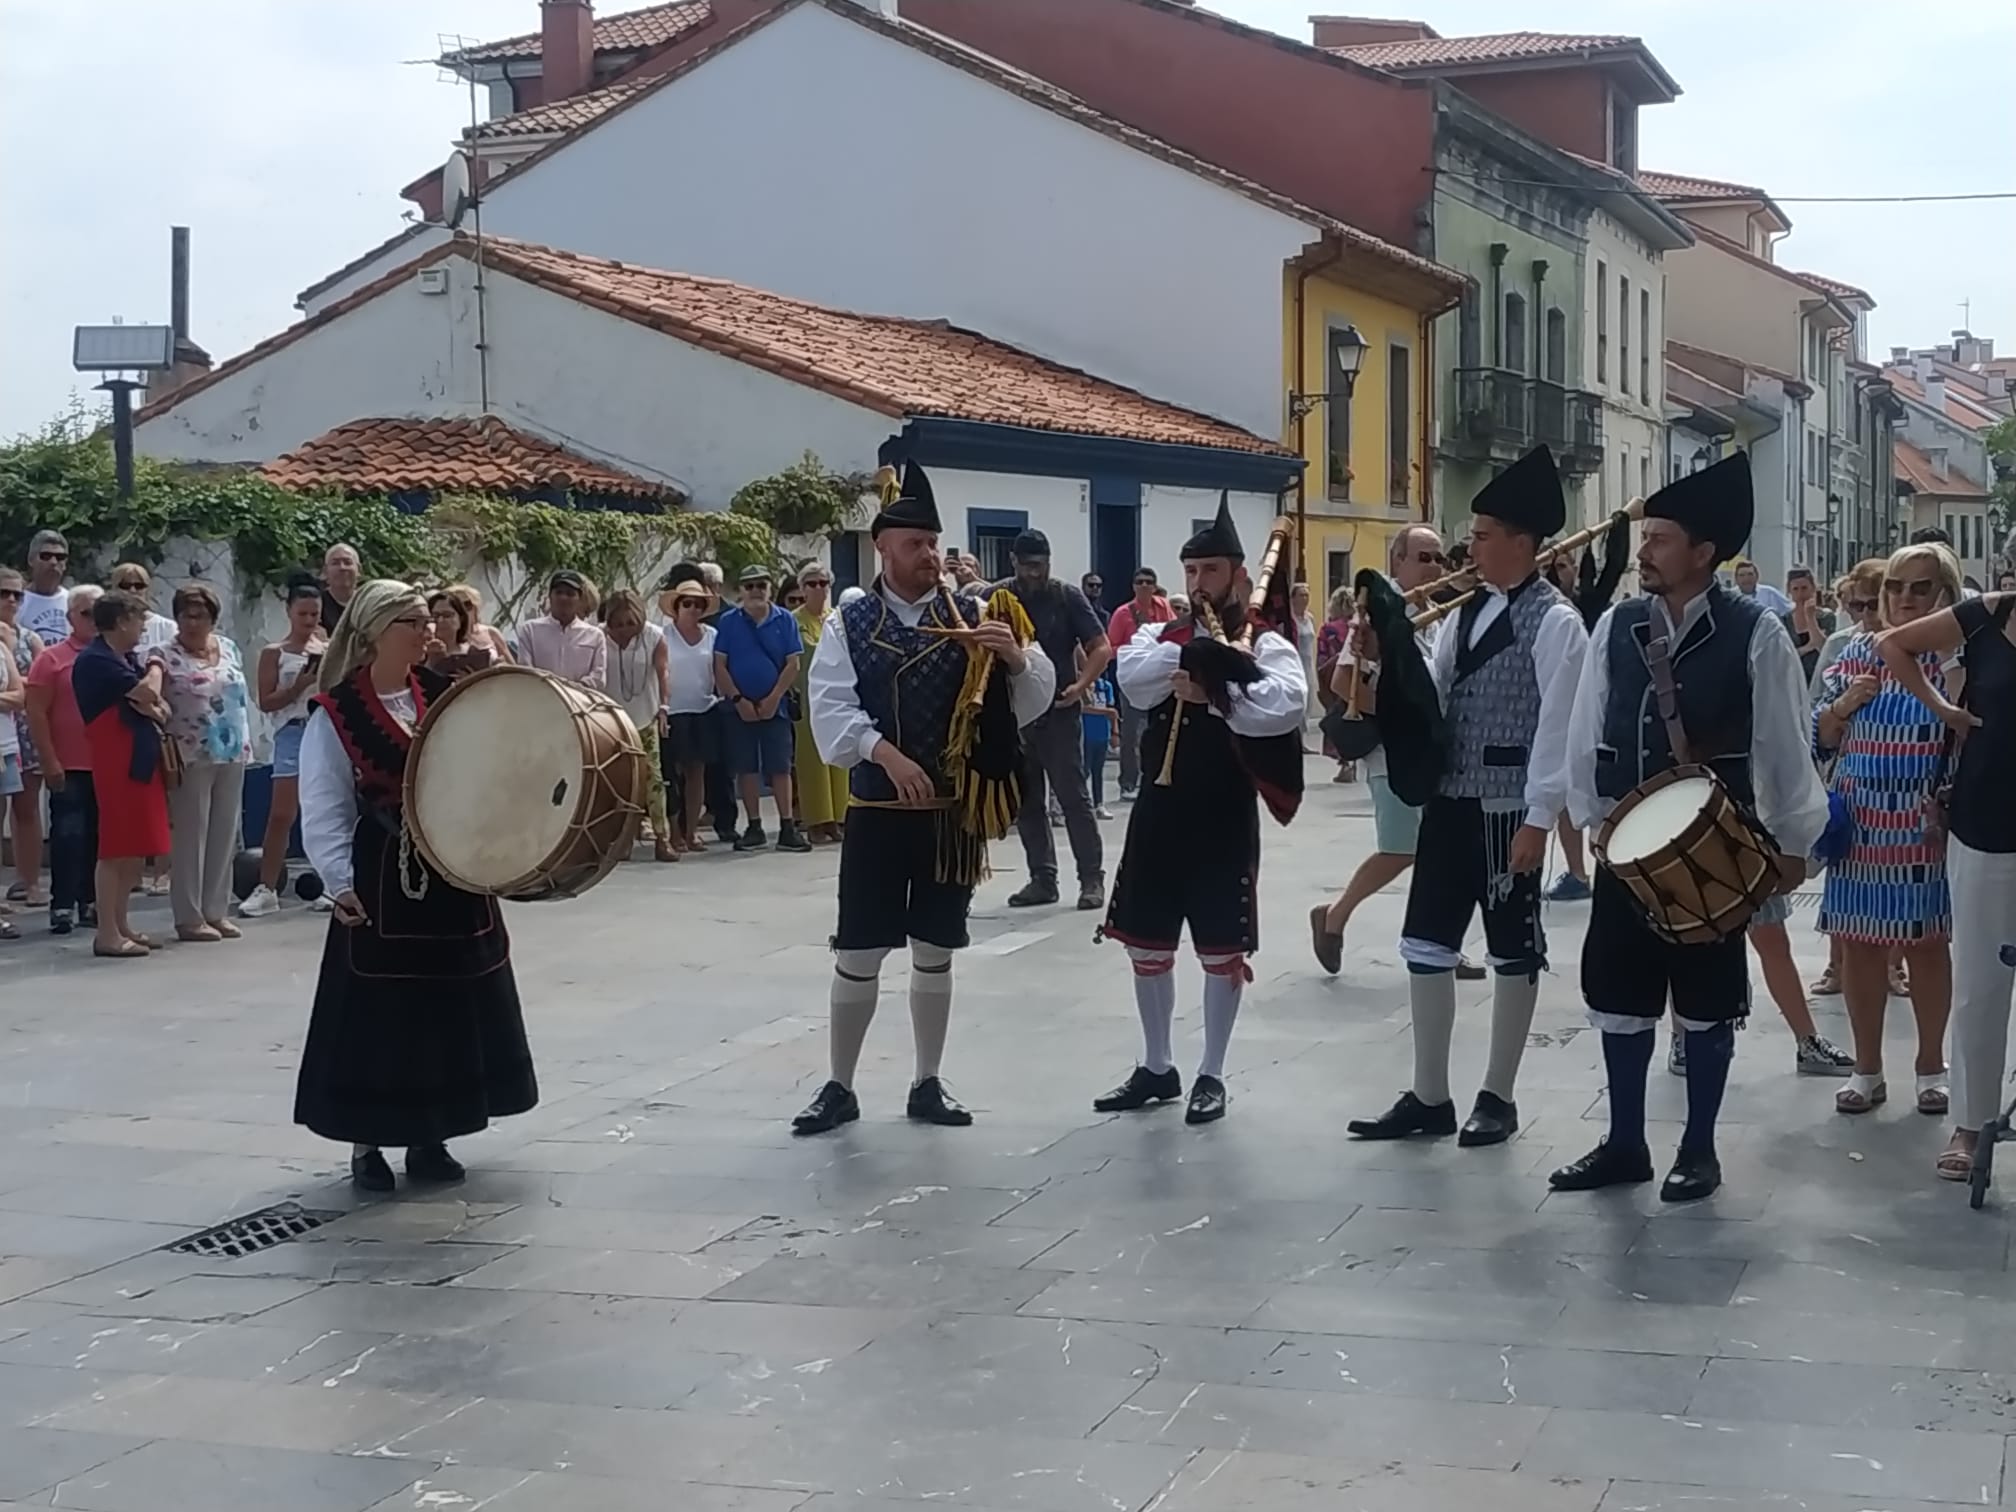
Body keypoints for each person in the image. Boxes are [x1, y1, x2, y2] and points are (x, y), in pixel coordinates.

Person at [1548, 454, 1827, 1201]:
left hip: (1714, 847)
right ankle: (1625, 1143)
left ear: (1703, 553)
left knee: (1705, 1003)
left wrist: (1794, 842)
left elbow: (1782, 742)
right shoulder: (1618, 624)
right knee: (1619, 993)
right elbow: (1587, 728)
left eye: (1661, 539)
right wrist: (1592, 819)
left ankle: (1699, 1148)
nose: (1644, 552)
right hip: (1627, 848)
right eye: (1648, 540)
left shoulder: (1755, 633)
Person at [794, 461, 1055, 1135]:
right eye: (915, 544)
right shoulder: (850, 623)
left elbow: (1029, 703)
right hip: (879, 809)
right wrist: (884, 753)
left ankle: (927, 1081)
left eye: (934, 543)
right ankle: (840, 1085)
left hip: (950, 814)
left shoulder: (975, 614)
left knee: (936, 948)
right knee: (858, 950)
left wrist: (1018, 659)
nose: (930, 555)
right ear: (883, 547)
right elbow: (830, 711)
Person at [1349, 446, 1587, 1149]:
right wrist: (1389, 643)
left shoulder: (1557, 621)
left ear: (1521, 541)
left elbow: (1558, 725)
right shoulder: (1464, 612)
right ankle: (1429, 1095)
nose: (1469, 547)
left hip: (1510, 806)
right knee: (1425, 941)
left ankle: (1499, 1096)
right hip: (1452, 800)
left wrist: (1541, 818)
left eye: (1482, 535)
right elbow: (1438, 689)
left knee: (1514, 948)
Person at [296, 580, 538, 1191]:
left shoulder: (444, 696)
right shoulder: (338, 710)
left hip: (453, 872)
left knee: (447, 1003)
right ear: (376, 630)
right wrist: (338, 881)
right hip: (384, 874)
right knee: (381, 1010)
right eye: (411, 621)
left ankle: (434, 1134)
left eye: (428, 619)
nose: (427, 630)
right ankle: (367, 1142)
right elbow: (324, 802)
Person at [1094, 497, 1304, 1124]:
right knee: (1146, 945)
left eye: (1210, 571)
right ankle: (1158, 1066)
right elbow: (1132, 675)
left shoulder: (1266, 641)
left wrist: (1217, 692)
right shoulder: (1167, 633)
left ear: (1239, 575)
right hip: (1159, 810)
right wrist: (1201, 657)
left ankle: (1211, 1072)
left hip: (1221, 811)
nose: (1198, 583)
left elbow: (1286, 705)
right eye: (1190, 571)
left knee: (1220, 949)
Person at [1813, 541, 1962, 1118]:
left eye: (1920, 588)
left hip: (1928, 824)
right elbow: (1820, 735)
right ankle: (1866, 1068)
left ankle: (1931, 1066)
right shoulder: (1854, 652)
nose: (1903, 598)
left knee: (1928, 945)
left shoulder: (1956, 655)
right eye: (1894, 587)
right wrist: (1844, 705)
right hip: (1861, 820)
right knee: (1859, 945)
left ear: (1946, 594)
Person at [1877, 581, 2016, 1181]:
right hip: (1987, 818)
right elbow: (1892, 645)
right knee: (1982, 981)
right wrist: (1945, 711)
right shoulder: (1987, 615)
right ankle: (1971, 1120)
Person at [1310, 526, 1484, 982]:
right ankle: (1334, 915)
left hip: (1433, 752)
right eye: (1423, 558)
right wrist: (1395, 708)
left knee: (1436, 851)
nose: (1434, 567)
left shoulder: (1439, 615)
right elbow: (1342, 684)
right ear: (1398, 563)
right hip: (1394, 756)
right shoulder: (1374, 620)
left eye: (1439, 558)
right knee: (1401, 849)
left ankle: (1441, 942)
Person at [1003, 530, 1110, 910]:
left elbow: (1101, 647)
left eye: (1042, 565)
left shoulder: (1067, 596)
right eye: (1028, 565)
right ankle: (1042, 877)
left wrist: (1081, 685)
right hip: (1016, 716)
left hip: (1060, 712)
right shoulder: (998, 598)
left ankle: (1091, 879)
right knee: (1028, 799)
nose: (1036, 573)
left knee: (1073, 797)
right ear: (1013, 562)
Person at [72, 590, 172, 959]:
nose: (143, 627)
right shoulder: (96, 660)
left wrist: (152, 700)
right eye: (139, 619)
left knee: (132, 847)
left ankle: (122, 923)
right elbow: (148, 694)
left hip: (136, 755)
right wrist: (157, 668)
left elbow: (157, 706)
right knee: (115, 847)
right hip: (116, 759)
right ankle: (107, 932)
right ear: (120, 621)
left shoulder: (122, 657)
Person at [150, 583, 252, 942]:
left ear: (212, 619)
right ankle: (189, 916)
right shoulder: (163, 652)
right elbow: (152, 696)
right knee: (192, 834)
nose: (192, 623)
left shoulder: (228, 647)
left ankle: (216, 910)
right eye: (186, 615)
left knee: (225, 832)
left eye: (200, 616)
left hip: (233, 749)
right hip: (190, 752)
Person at [244, 581, 329, 918]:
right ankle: (267, 887)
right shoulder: (274, 653)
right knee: (282, 813)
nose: (309, 620)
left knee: (322, 809)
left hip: (322, 728)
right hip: (292, 731)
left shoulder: (327, 648)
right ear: (289, 612)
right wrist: (299, 685)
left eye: (314, 613)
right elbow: (267, 701)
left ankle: (328, 883)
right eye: (302, 613)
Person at [713, 563, 809, 853]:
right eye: (749, 586)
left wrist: (773, 698)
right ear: (741, 590)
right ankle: (754, 825)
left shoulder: (785, 620)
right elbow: (720, 664)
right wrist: (738, 699)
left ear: (770, 589)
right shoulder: (729, 622)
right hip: (739, 707)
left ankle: (787, 826)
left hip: (775, 706)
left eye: (761, 585)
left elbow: (793, 664)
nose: (755, 591)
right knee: (747, 767)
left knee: (780, 766)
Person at [25, 586, 101, 936]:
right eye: (86, 613)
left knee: (99, 837)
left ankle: (91, 901)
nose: (93, 620)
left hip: (106, 763)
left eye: (98, 613)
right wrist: (48, 759)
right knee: (69, 834)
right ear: (71, 617)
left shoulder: (112, 656)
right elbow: (37, 712)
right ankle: (62, 904)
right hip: (69, 763)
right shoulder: (52, 659)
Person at [600, 588, 675, 862]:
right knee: (619, 780)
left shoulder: (654, 636)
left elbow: (663, 672)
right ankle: (624, 838)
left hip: (645, 716)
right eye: (618, 624)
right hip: (611, 720)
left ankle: (661, 837)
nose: (624, 630)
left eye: (630, 623)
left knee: (653, 779)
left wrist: (664, 707)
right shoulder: (597, 637)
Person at [1, 567, 48, 908]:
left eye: (17, 594)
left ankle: (29, 881)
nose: (12, 601)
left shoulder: (29, 637)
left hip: (25, 729)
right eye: (4, 593)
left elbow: (41, 684)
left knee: (27, 808)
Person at [661, 579, 719, 853]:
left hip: (704, 709)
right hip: (673, 711)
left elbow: (720, 671)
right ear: (676, 607)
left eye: (699, 604)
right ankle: (674, 833)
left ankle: (692, 831)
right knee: (673, 774)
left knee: (697, 773)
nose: (693, 608)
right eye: (687, 603)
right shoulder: (663, 635)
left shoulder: (712, 635)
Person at [791, 565, 848, 844]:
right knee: (811, 759)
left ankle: (839, 818)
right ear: (802, 588)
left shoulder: (835, 619)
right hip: (805, 697)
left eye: (823, 582)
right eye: (811, 583)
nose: (818, 588)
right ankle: (816, 820)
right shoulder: (793, 621)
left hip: (834, 695)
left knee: (838, 757)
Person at [1106, 568, 1173, 799]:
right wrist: (1133, 651)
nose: (1144, 585)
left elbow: (1175, 634)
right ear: (1133, 586)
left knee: (1160, 728)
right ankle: (1128, 783)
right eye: (1140, 582)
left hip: (1161, 678)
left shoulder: (1165, 608)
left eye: (1149, 582)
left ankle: (1155, 776)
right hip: (1134, 679)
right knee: (1131, 732)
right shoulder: (1123, 613)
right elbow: (1110, 648)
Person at [515, 570, 607, 690]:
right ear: (550, 596)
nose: (564, 598)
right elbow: (525, 671)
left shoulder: (595, 636)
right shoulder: (530, 630)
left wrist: (574, 690)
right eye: (559, 592)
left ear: (579, 599)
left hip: (579, 704)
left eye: (570, 594)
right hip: (539, 700)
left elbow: (598, 677)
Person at [1781, 566, 1836, 682]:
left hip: (1820, 676)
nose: (1800, 593)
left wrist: (1810, 618)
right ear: (1789, 591)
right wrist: (1808, 647)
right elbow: (1784, 655)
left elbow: (1824, 648)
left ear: (1813, 589)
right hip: (1794, 678)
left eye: (1804, 588)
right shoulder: (1784, 620)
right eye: (1795, 589)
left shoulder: (1826, 617)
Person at [108, 563, 177, 649]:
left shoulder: (167, 627)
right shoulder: (107, 626)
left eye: (139, 586)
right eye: (125, 586)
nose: (132, 590)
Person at [20, 530, 71, 645]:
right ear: (31, 560)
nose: (53, 562)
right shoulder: (16, 601)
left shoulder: (74, 602)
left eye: (60, 557)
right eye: (46, 556)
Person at [442, 584, 512, 665]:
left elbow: (514, 669)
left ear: (475, 608)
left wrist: (502, 665)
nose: (463, 610)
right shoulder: (444, 636)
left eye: (467, 605)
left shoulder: (491, 633)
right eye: (457, 606)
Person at [1081, 670, 1119, 818]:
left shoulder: (1105, 686)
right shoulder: (1083, 686)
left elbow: (1112, 711)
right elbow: (1083, 708)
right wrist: (1106, 712)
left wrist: (1115, 732)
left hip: (1102, 733)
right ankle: (1083, 804)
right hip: (1086, 733)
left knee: (1098, 771)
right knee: (1084, 770)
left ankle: (1099, 804)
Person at [1290, 582, 1319, 723]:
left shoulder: (1310, 618)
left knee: (1309, 700)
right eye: (1301, 595)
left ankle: (1304, 734)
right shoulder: (1291, 619)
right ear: (1293, 598)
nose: (1305, 598)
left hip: (1308, 663)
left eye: (1307, 595)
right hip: (1296, 663)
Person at [320, 543, 361, 633]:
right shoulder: (317, 604)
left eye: (347, 562)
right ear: (325, 571)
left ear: (359, 570)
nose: (342, 568)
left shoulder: (367, 603)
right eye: (335, 563)